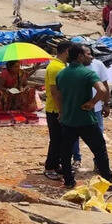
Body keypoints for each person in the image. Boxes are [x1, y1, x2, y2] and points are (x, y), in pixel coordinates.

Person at [55, 43, 112, 189]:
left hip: (68, 120)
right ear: (80, 56)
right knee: (100, 150)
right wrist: (93, 102)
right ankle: (107, 180)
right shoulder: (87, 73)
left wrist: (61, 112)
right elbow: (101, 89)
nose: (91, 57)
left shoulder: (61, 74)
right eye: (87, 54)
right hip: (86, 120)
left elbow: (58, 95)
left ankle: (69, 180)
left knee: (66, 152)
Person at [43, 41, 81, 178]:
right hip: (55, 109)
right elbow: (55, 92)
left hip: (59, 108)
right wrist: (61, 111)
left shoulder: (62, 66)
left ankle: (57, 164)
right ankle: (49, 167)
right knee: (56, 140)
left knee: (62, 140)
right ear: (66, 52)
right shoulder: (55, 67)